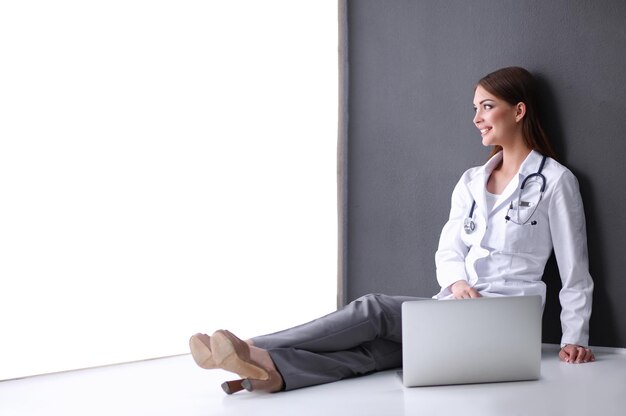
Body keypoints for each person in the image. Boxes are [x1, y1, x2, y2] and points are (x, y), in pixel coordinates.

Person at [188, 66, 595, 394]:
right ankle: (273, 372)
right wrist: (455, 283)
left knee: (376, 309)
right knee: (376, 353)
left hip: (508, 323)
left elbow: (575, 270)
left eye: (487, 107)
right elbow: (448, 251)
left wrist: (573, 338)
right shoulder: (471, 181)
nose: (476, 119)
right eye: (475, 108)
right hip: (459, 312)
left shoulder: (555, 181)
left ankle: (255, 347)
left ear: (518, 111)